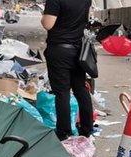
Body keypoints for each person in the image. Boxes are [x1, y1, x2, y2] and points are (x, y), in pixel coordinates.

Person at [41, 0, 94, 141]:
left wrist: (43, 16)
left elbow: (48, 24)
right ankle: (87, 129)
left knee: (62, 93)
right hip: (78, 51)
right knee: (80, 89)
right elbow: (86, 19)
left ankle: (64, 132)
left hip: (59, 50)